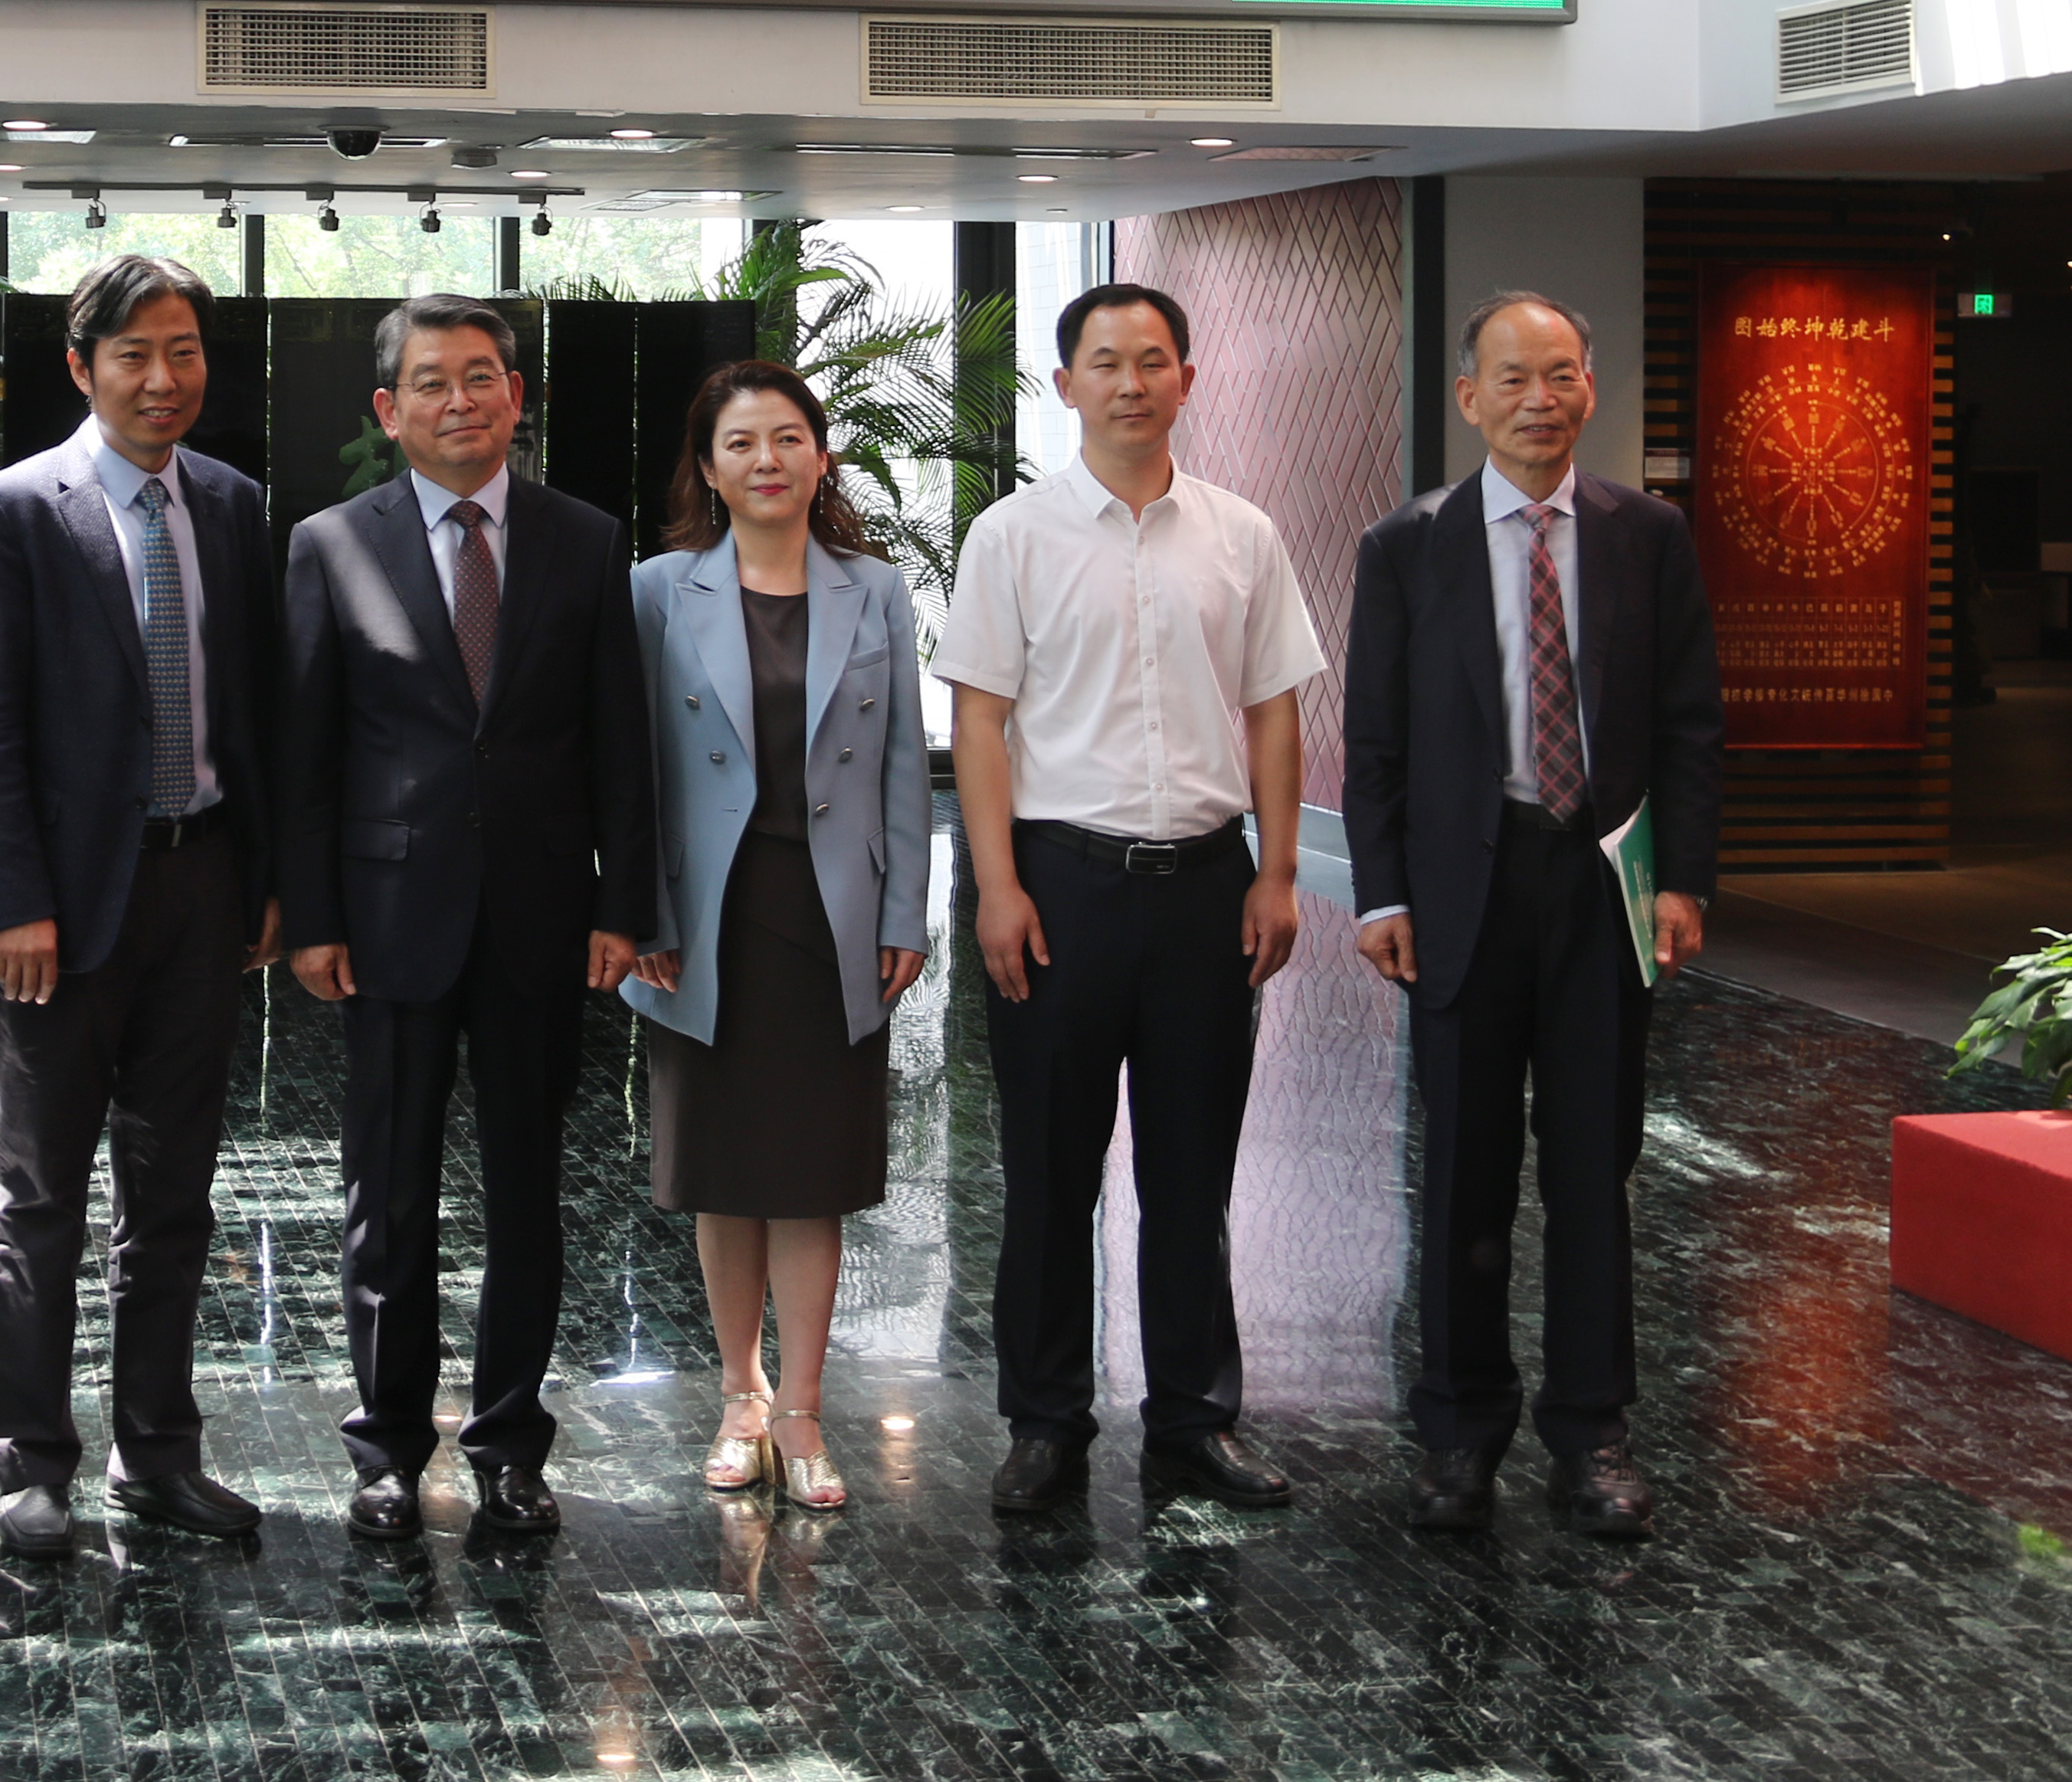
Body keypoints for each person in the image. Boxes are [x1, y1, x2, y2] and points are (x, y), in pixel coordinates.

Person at [280, 293, 658, 1541]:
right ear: (389, 411)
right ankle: (387, 1448)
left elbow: (620, 744)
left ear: (516, 395)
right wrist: (313, 916)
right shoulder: (333, 544)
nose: (460, 401)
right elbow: (308, 753)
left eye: (481, 377)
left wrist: (623, 905)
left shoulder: (586, 540)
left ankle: (507, 1443)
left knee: (527, 1193)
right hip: (390, 919)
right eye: (432, 383)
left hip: (542, 918)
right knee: (387, 1197)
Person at [939, 282, 1321, 1517]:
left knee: (1192, 1174)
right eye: (1104, 362)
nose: (1131, 382)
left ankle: (1195, 1418)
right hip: (1062, 886)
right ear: (1067, 386)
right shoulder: (1013, 536)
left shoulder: (1242, 535)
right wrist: (998, 887)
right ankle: (1045, 1420)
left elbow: (1274, 709)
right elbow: (980, 723)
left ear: (1187, 381)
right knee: (1051, 1174)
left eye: (1153, 360)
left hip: (1207, 888)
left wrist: (1277, 870)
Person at [1345, 290, 1721, 1541]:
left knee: (1593, 1168)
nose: (1539, 400)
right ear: (1470, 398)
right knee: (1464, 1173)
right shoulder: (1409, 545)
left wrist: (1683, 880)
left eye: (1560, 375)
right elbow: (1376, 742)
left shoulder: (1647, 534)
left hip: (1604, 884)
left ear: (1591, 388)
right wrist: (1383, 891)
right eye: (1513, 378)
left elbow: (1689, 723)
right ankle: (1459, 1434)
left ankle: (1592, 1432)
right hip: (1467, 885)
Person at [0, 256, 283, 1561]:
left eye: (183, 350)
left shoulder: (234, 504)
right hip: (62, 906)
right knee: (40, 1194)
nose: (162, 378)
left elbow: (252, 703)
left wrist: (261, 879)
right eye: (134, 354)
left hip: (200, 884)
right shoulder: (12, 511)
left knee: (175, 1190)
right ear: (82, 367)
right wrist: (13, 900)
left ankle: (160, 1451)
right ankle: (30, 1457)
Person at [624, 361, 931, 1512]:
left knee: (811, 1175)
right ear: (708, 469)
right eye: (743, 443)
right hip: (703, 919)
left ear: (821, 457)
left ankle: (801, 1410)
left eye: (789, 438)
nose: (769, 460)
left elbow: (904, 764)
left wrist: (904, 912)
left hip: (829, 916)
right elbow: (633, 771)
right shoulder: (659, 590)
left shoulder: (877, 591)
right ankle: (739, 1397)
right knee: (724, 1173)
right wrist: (641, 911)